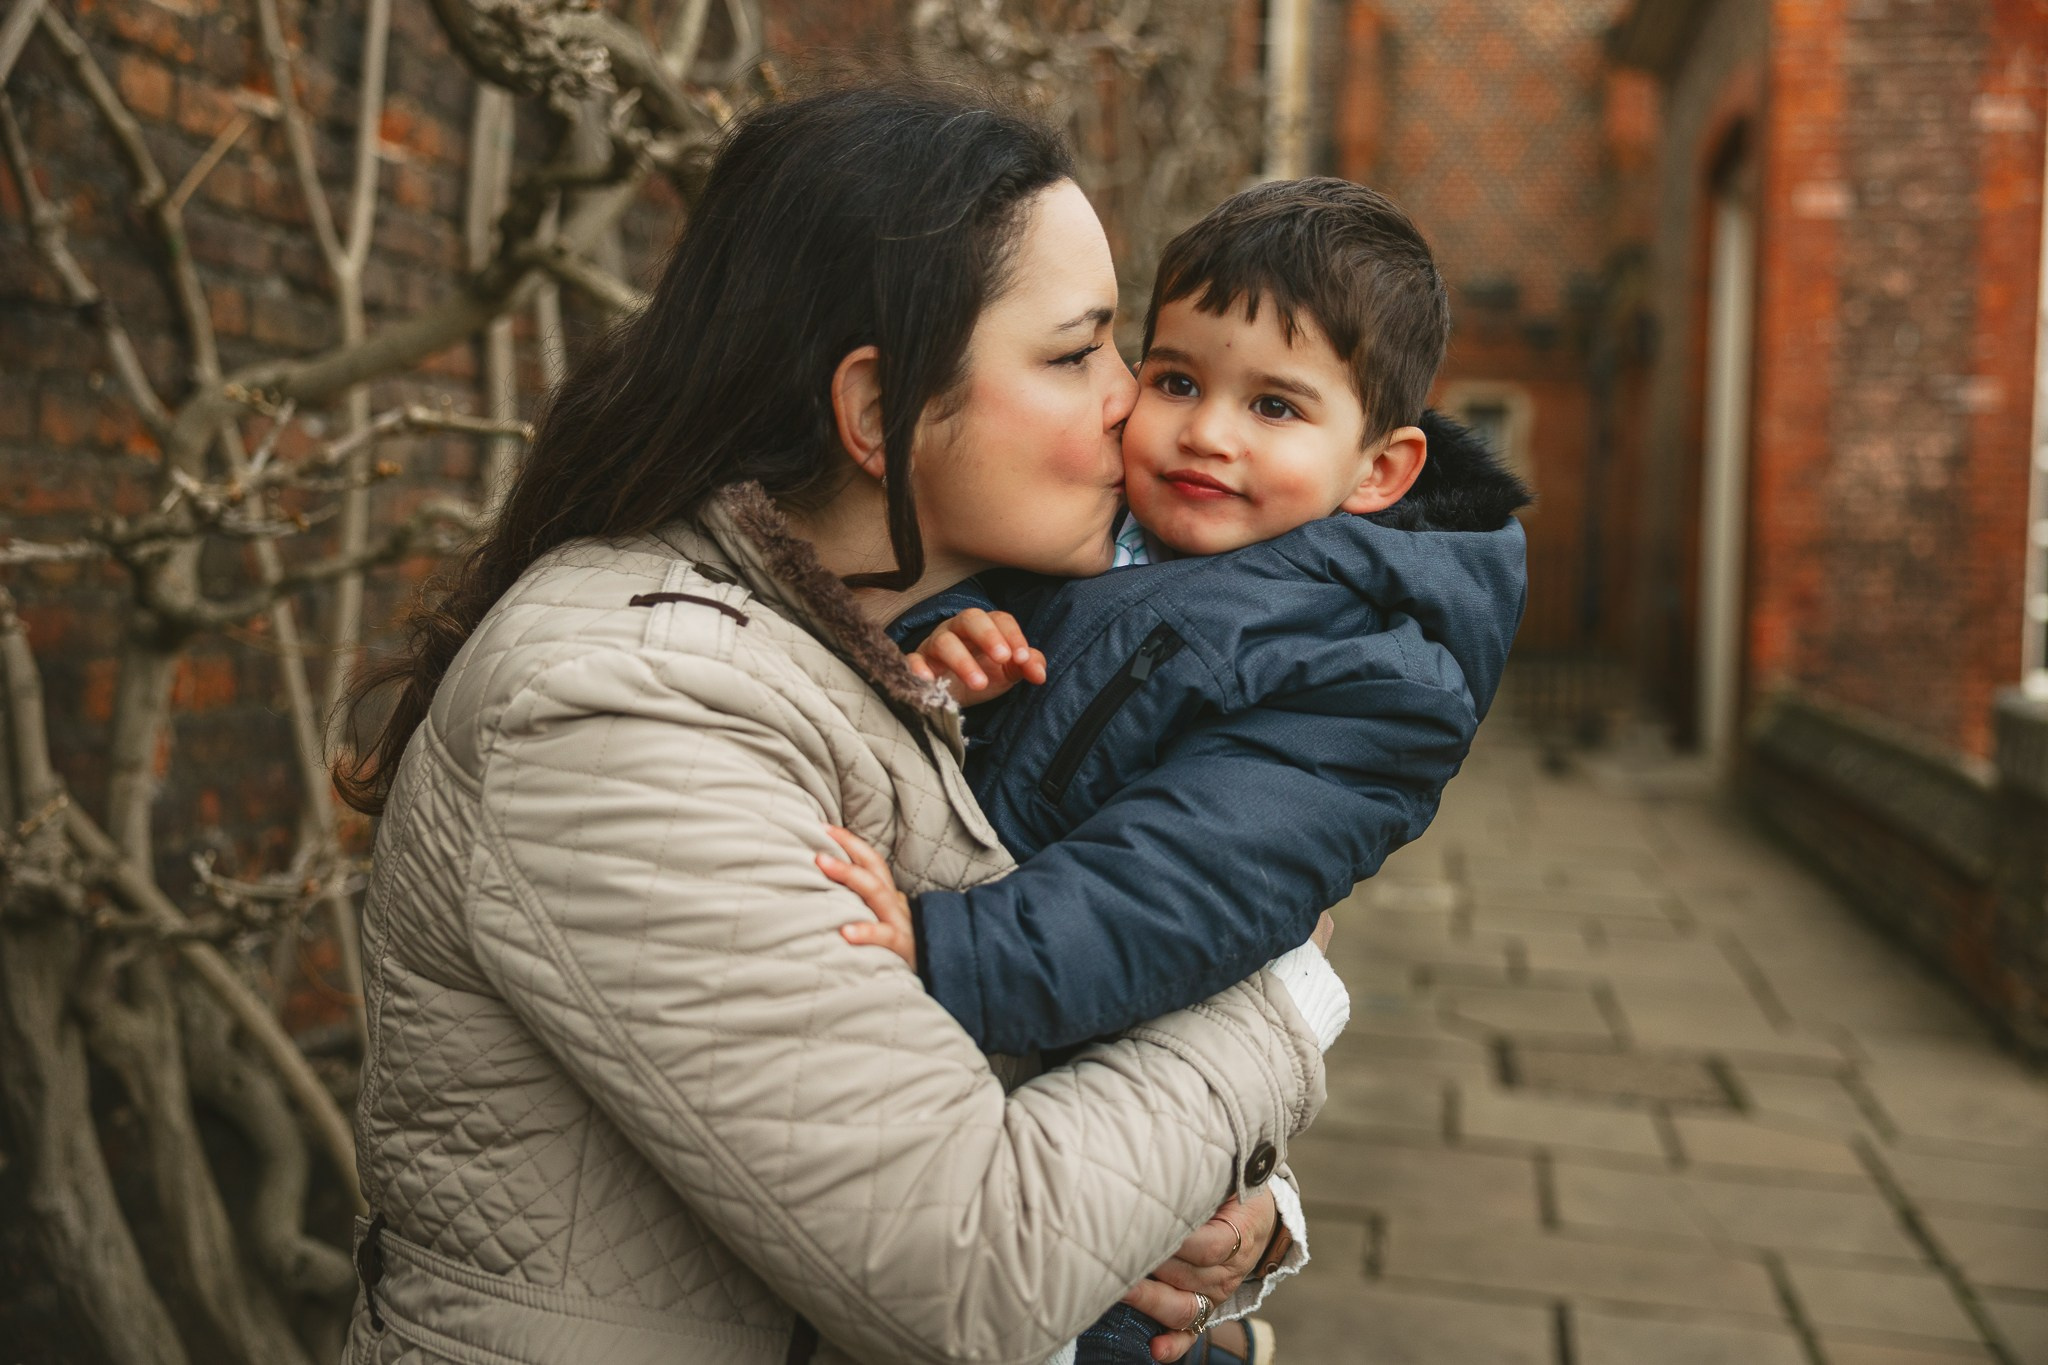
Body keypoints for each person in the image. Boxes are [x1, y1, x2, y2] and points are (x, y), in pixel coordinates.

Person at [332, 85, 1338, 1365]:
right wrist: (1278, 1000)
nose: (1132, 402)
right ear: (875, 414)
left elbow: (1007, 1080)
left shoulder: (908, 655)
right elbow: (970, 1263)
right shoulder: (619, 706)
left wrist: (1237, 1221)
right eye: (1075, 352)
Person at [822, 180, 1531, 1362]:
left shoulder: (1369, 677)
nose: (1207, 432)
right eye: (1178, 381)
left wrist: (948, 950)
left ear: (1379, 470)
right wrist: (939, 653)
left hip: (1080, 1123)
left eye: (1274, 405)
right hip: (994, 1089)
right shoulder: (1094, 535)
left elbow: (1178, 887)